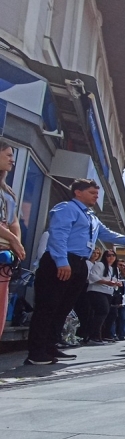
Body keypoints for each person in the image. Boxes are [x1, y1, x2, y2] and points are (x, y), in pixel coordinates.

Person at [26, 179, 125, 365]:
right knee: (47, 307)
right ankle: (36, 352)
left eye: (96, 193)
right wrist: (62, 262)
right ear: (78, 192)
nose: (96, 196)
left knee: (63, 307)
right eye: (91, 192)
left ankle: (51, 346)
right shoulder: (66, 208)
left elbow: (109, 235)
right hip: (62, 260)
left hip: (80, 263)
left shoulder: (92, 217)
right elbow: (58, 235)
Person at [0, 140, 25, 342]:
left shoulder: (7, 191)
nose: (12, 160)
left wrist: (17, 241)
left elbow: (13, 219)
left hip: (4, 257)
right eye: (8, 155)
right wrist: (13, 239)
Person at [85, 250, 124, 345]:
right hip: (96, 291)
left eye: (113, 255)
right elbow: (92, 277)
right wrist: (106, 282)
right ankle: (94, 336)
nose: (111, 257)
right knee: (102, 311)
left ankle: (105, 334)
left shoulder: (115, 269)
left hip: (108, 292)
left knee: (111, 313)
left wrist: (117, 284)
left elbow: (114, 280)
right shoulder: (100, 265)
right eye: (108, 255)